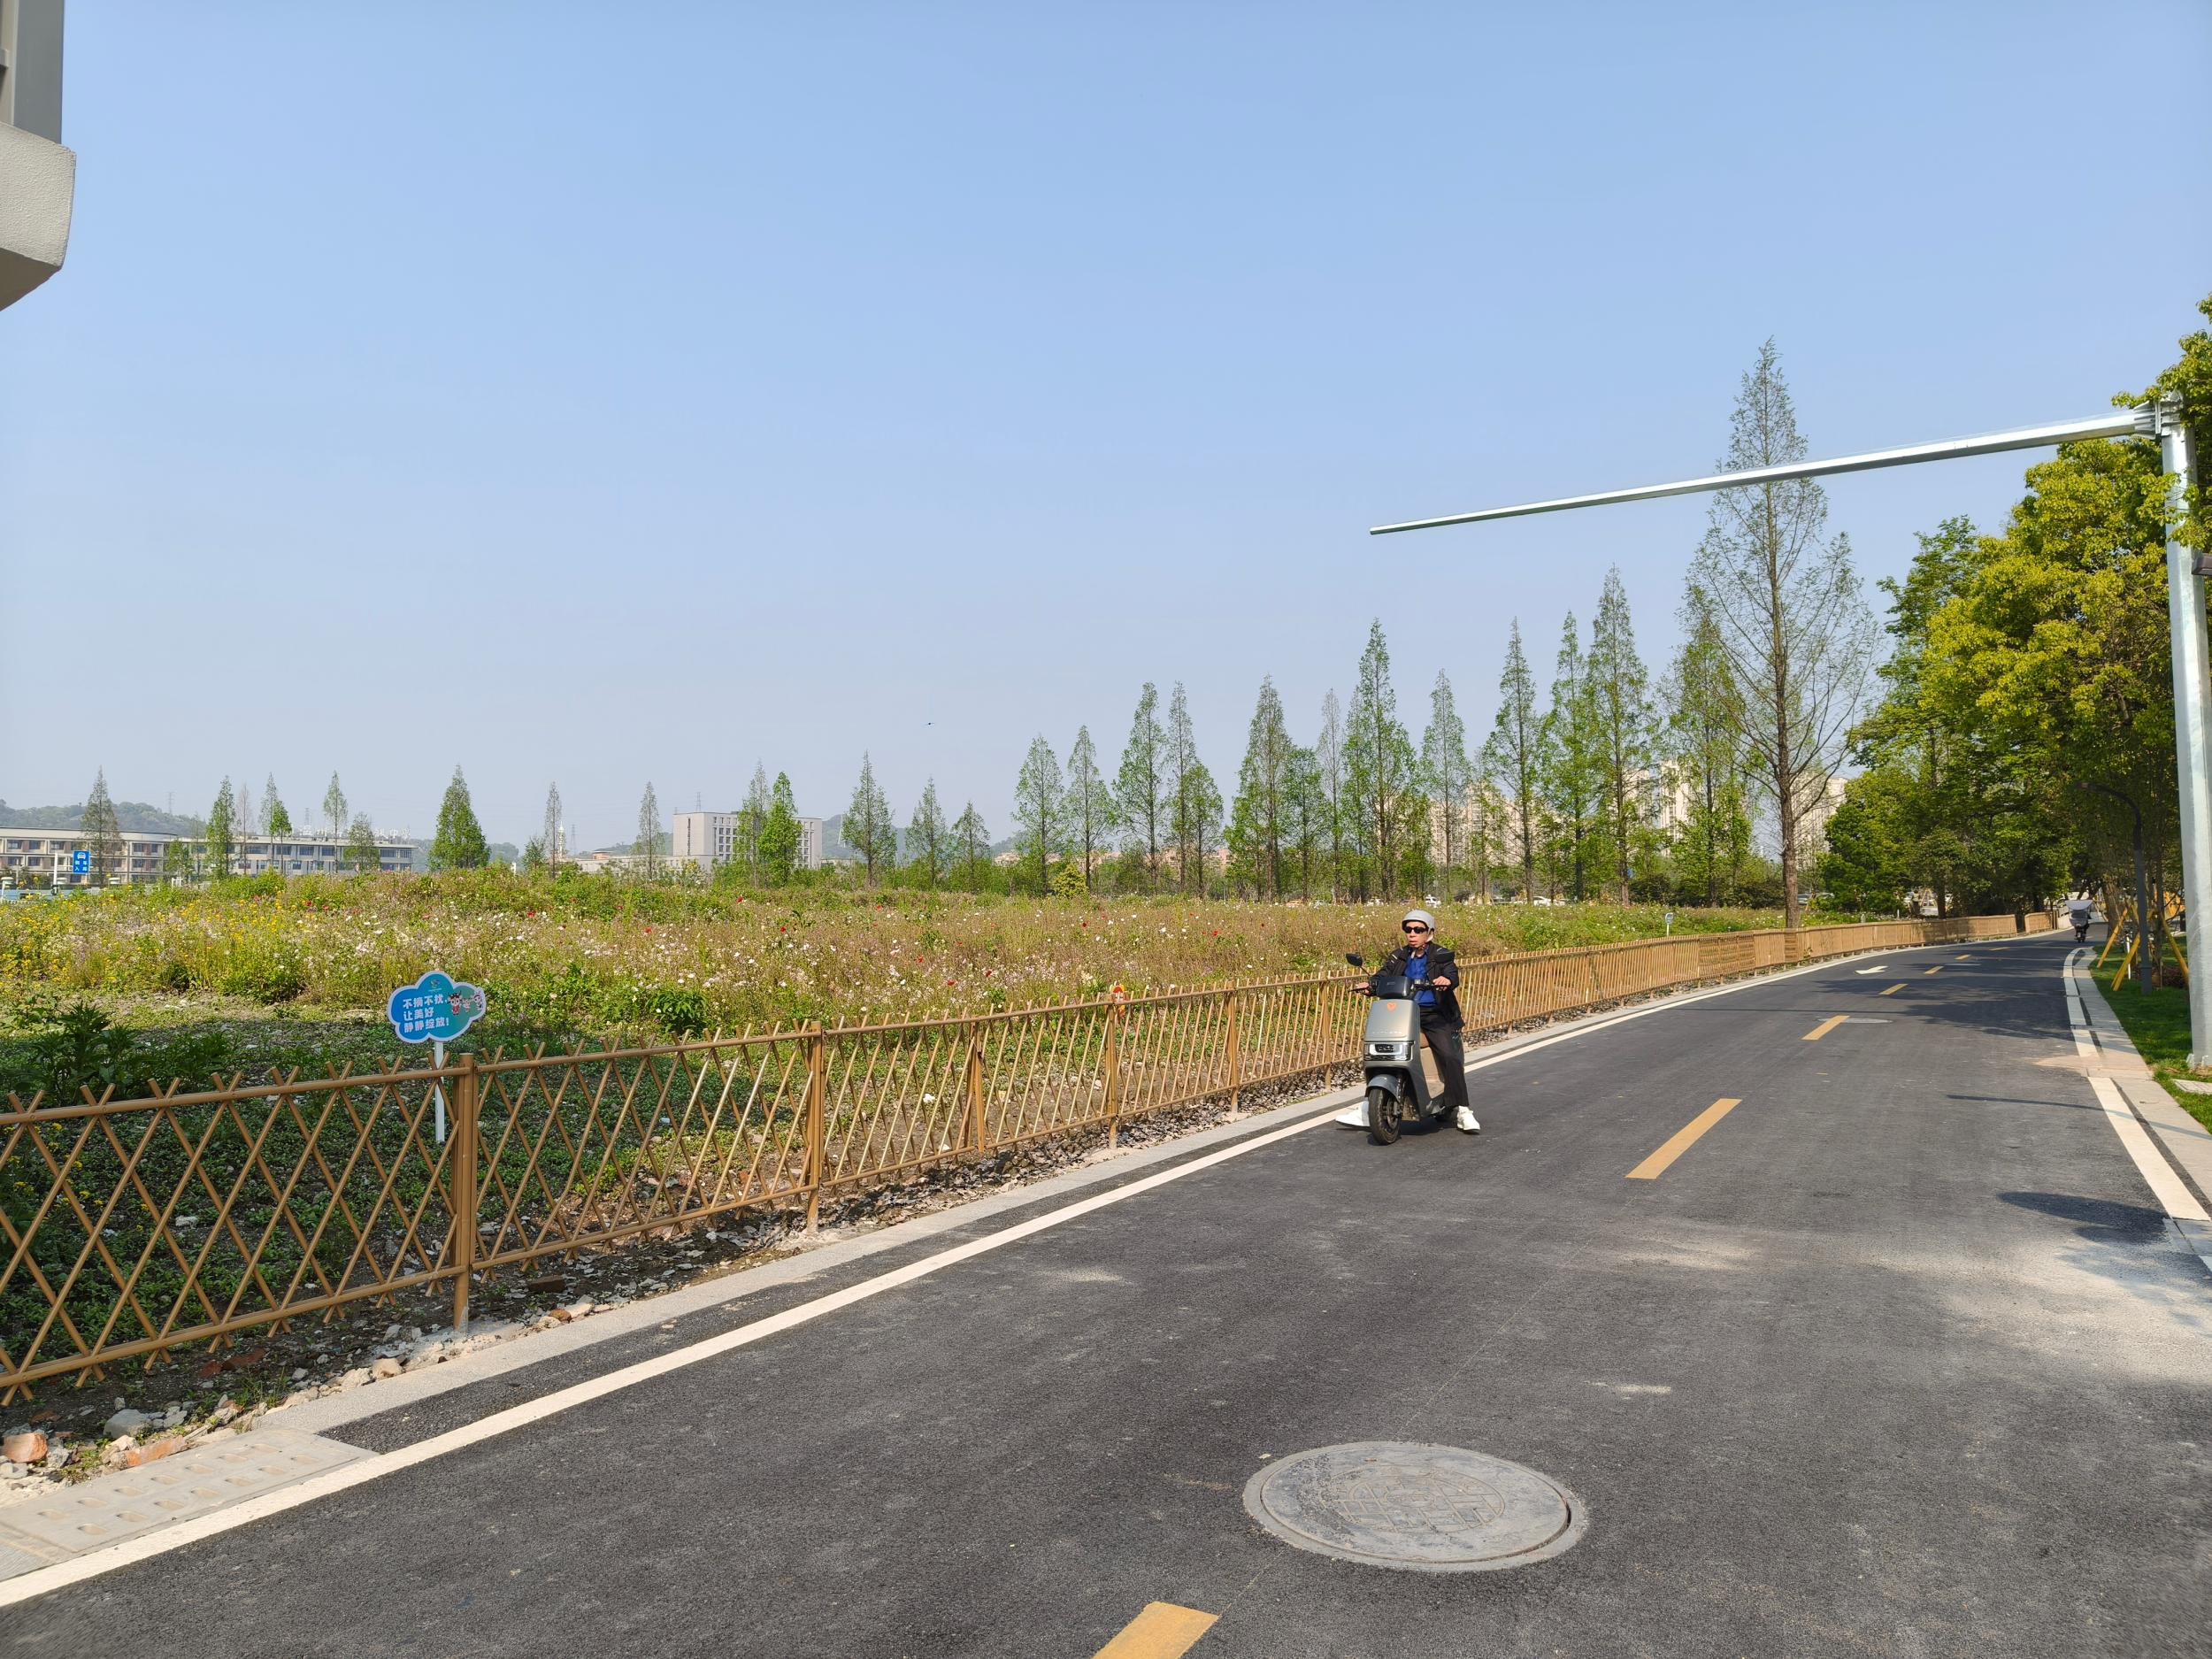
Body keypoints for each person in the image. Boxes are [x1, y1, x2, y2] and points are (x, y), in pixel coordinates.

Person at [1358, 908, 1479, 1133]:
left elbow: (1452, 975)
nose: (1412, 934)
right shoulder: (1398, 956)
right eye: (1408, 929)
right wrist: (1371, 985)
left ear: (1429, 933)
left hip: (1434, 1015)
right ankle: (1367, 1105)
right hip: (1402, 1014)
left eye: (1418, 930)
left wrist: (1446, 980)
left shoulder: (1441, 955)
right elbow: (1383, 975)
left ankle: (1463, 1110)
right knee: (1377, 1050)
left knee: (1450, 1057)